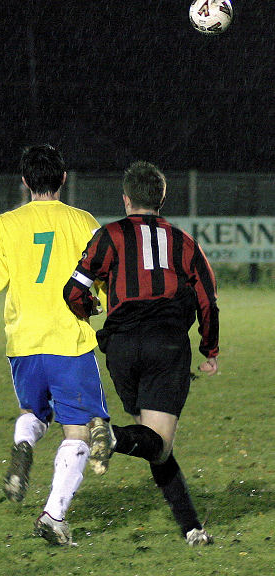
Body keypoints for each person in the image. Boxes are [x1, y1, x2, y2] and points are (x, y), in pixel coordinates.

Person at [0, 143, 111, 546]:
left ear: (24, 181)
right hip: (69, 341)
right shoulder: (83, 222)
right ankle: (53, 514)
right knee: (78, 434)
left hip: (23, 343)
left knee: (33, 411)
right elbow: (106, 274)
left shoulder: (5, 225)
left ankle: (23, 442)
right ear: (63, 178)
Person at [63, 160, 219, 546]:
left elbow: (73, 290)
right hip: (165, 343)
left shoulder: (109, 235)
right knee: (157, 443)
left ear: (126, 199)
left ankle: (191, 528)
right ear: (162, 199)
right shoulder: (183, 241)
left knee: (152, 443)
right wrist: (209, 347)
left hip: (121, 346)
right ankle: (111, 437)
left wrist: (90, 310)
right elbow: (208, 298)